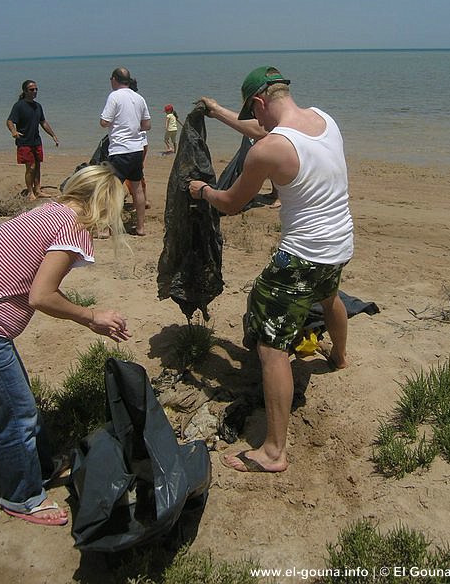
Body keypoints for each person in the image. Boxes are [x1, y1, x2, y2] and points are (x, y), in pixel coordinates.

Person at [188, 66, 354, 474]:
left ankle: (274, 452)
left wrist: (202, 190)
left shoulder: (269, 149)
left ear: (261, 103)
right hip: (339, 244)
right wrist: (220, 112)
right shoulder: (324, 119)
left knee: (272, 346)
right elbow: (267, 134)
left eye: (254, 113)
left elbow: (230, 202)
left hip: (301, 255)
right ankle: (340, 358)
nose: (254, 122)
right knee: (328, 296)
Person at [0, 163, 131, 526]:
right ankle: (22, 497)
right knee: (18, 413)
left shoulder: (51, 210)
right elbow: (42, 296)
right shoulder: (75, 228)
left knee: (18, 400)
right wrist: (91, 316)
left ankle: (42, 467)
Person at [100, 67, 151, 236]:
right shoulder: (139, 97)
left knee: (112, 189)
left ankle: (108, 229)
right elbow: (147, 125)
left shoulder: (114, 96)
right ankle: (140, 227)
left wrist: (114, 123)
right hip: (136, 149)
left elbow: (104, 122)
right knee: (137, 189)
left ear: (115, 79)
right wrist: (133, 127)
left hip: (119, 150)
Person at [6, 80, 59, 200]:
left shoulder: (37, 106)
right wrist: (14, 132)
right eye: (31, 89)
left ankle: (38, 190)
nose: (34, 91)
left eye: (36, 89)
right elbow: (9, 121)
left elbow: (43, 122)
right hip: (24, 141)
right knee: (31, 167)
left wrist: (53, 135)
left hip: (36, 141)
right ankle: (30, 192)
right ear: (25, 91)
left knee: (38, 166)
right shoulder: (19, 105)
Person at [125, 78, 150, 209]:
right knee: (139, 178)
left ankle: (140, 202)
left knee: (134, 180)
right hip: (139, 145)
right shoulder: (139, 100)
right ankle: (143, 200)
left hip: (133, 146)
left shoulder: (132, 101)